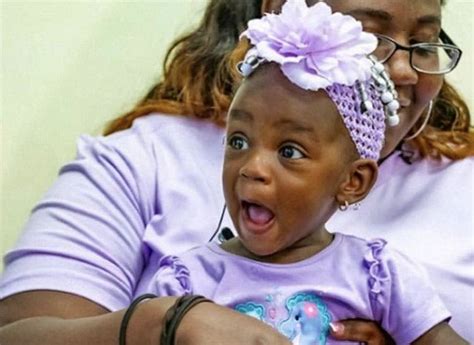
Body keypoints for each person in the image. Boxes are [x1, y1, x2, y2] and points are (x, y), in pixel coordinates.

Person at [0, 0, 472, 343]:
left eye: (424, 42)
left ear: (355, 181)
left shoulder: (393, 259)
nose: (408, 71)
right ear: (283, 13)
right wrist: (162, 325)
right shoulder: (146, 167)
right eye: (372, 35)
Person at [150, 3, 467, 344]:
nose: (252, 168)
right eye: (238, 141)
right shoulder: (186, 281)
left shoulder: (378, 275)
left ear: (353, 181)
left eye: (290, 152)